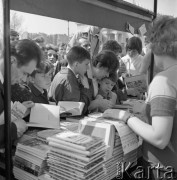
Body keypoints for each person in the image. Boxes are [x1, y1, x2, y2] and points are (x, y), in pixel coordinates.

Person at [103, 15, 177, 179]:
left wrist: (124, 116)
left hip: (162, 168)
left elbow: (159, 138)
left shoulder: (163, 81)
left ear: (155, 45)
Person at [0, 39, 42, 147]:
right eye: (24, 73)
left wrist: (18, 112)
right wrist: (14, 129)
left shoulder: (5, 83)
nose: (23, 79)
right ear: (12, 60)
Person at [49, 46, 93, 115]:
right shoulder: (69, 79)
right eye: (86, 64)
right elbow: (77, 110)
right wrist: (86, 88)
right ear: (76, 64)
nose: (88, 68)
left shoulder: (60, 73)